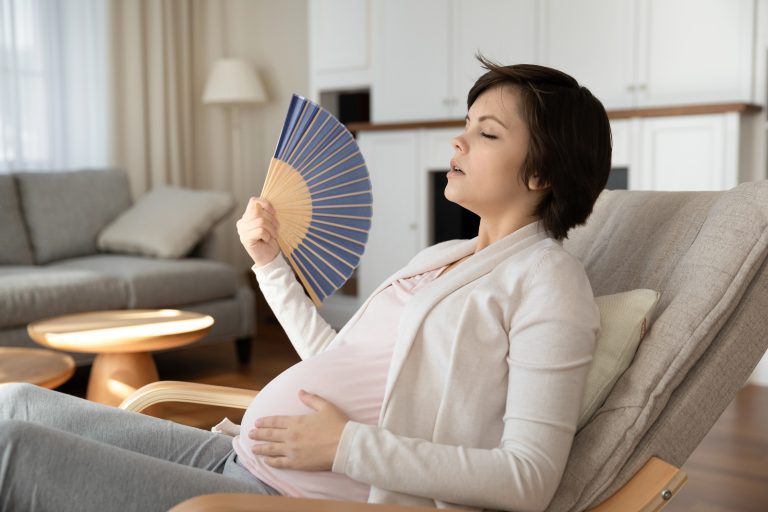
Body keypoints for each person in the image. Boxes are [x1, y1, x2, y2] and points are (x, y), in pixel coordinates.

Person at [0, 56, 611, 512]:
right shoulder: (444, 257)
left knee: (12, 452)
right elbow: (336, 361)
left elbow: (528, 478)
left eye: (487, 132)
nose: (459, 139)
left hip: (281, 497)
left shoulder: (548, 282)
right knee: (17, 403)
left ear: (541, 172)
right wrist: (269, 263)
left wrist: (345, 447)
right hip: (237, 455)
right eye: (466, 124)